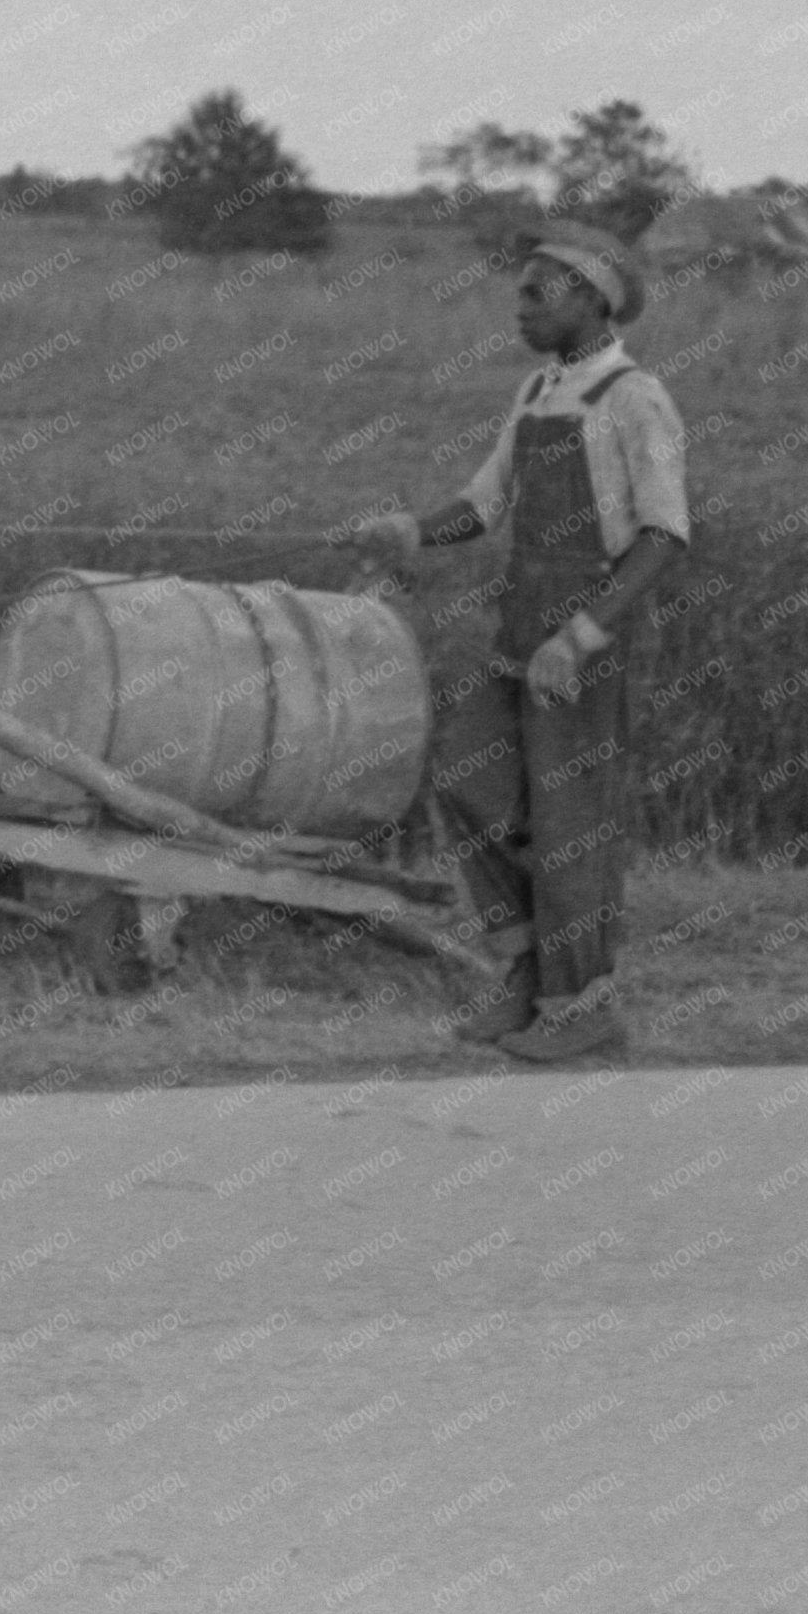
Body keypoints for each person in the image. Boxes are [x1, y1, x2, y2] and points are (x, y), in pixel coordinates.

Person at [346, 218, 689, 1060]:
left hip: (585, 638)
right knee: (468, 780)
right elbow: (485, 503)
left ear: (590, 298)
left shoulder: (635, 397)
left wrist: (580, 635)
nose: (521, 309)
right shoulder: (539, 392)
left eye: (537, 294)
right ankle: (528, 974)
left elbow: (665, 535)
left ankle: (583, 1006)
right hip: (519, 632)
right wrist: (410, 532)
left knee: (570, 823)